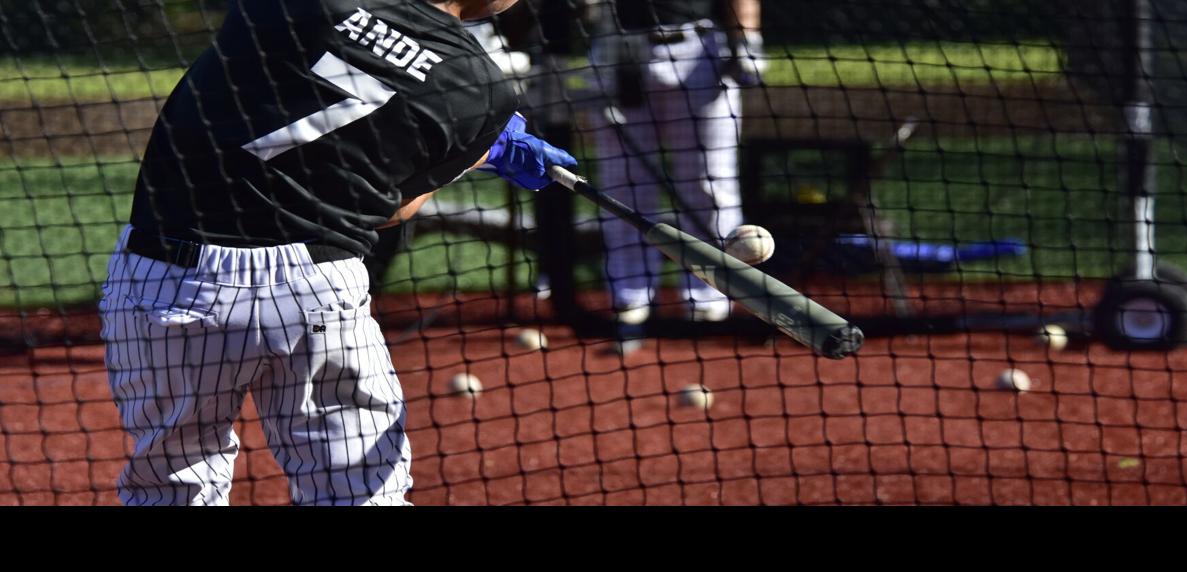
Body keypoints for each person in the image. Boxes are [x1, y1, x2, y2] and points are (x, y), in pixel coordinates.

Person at [100, 0, 579, 506]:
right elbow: (395, 208)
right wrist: (481, 151)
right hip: (317, 287)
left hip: (170, 276)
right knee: (357, 491)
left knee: (174, 484)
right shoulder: (482, 89)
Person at [586, 0, 764, 328]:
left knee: (709, 182)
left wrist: (746, 39)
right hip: (620, 47)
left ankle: (710, 294)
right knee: (623, 183)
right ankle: (630, 296)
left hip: (699, 50)